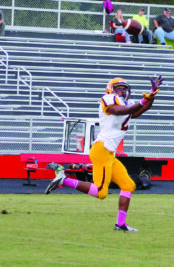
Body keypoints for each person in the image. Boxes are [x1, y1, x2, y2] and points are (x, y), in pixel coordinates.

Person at [45, 75, 163, 232]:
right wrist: (142, 101)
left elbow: (142, 109)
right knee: (101, 192)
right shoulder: (107, 99)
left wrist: (152, 94)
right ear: (111, 90)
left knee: (129, 185)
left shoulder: (126, 104)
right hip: (102, 149)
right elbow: (122, 110)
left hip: (109, 152)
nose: (122, 91)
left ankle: (120, 224)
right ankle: (64, 180)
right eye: (118, 88)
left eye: (124, 88)